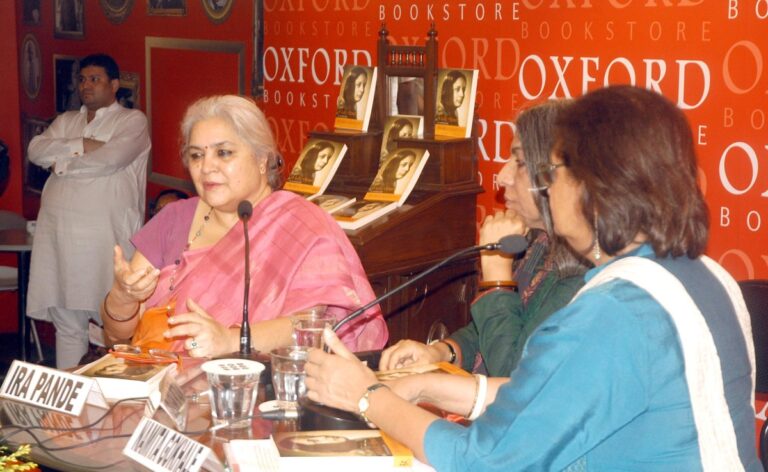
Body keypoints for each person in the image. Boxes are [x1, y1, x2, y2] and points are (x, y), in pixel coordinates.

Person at [305, 86, 760, 470]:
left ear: (594, 185)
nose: (545, 187)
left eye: (551, 172)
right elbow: (552, 396)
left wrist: (366, 397)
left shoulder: (612, 312)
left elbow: (481, 460)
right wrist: (431, 384)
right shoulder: (706, 277)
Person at [101, 95, 387, 358]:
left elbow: (310, 326)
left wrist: (230, 340)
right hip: (156, 390)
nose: (207, 167)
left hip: (255, 393)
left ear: (262, 159)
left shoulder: (300, 225)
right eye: (197, 155)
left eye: (223, 153)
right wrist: (123, 297)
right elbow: (115, 336)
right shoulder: (173, 219)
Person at [380, 101, 587, 376]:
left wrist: (496, 274)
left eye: (520, 162)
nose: (502, 177)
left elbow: (513, 373)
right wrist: (440, 352)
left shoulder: (583, 275)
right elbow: (490, 330)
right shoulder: (538, 242)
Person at [27, 53, 151, 369]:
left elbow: (111, 159)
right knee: (67, 325)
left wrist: (63, 163)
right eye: (82, 79)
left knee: (113, 324)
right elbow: (35, 149)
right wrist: (83, 143)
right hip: (59, 237)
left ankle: (114, 405)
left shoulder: (131, 121)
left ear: (114, 84)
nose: (86, 85)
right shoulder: (67, 120)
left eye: (94, 79)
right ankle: (67, 405)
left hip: (104, 239)